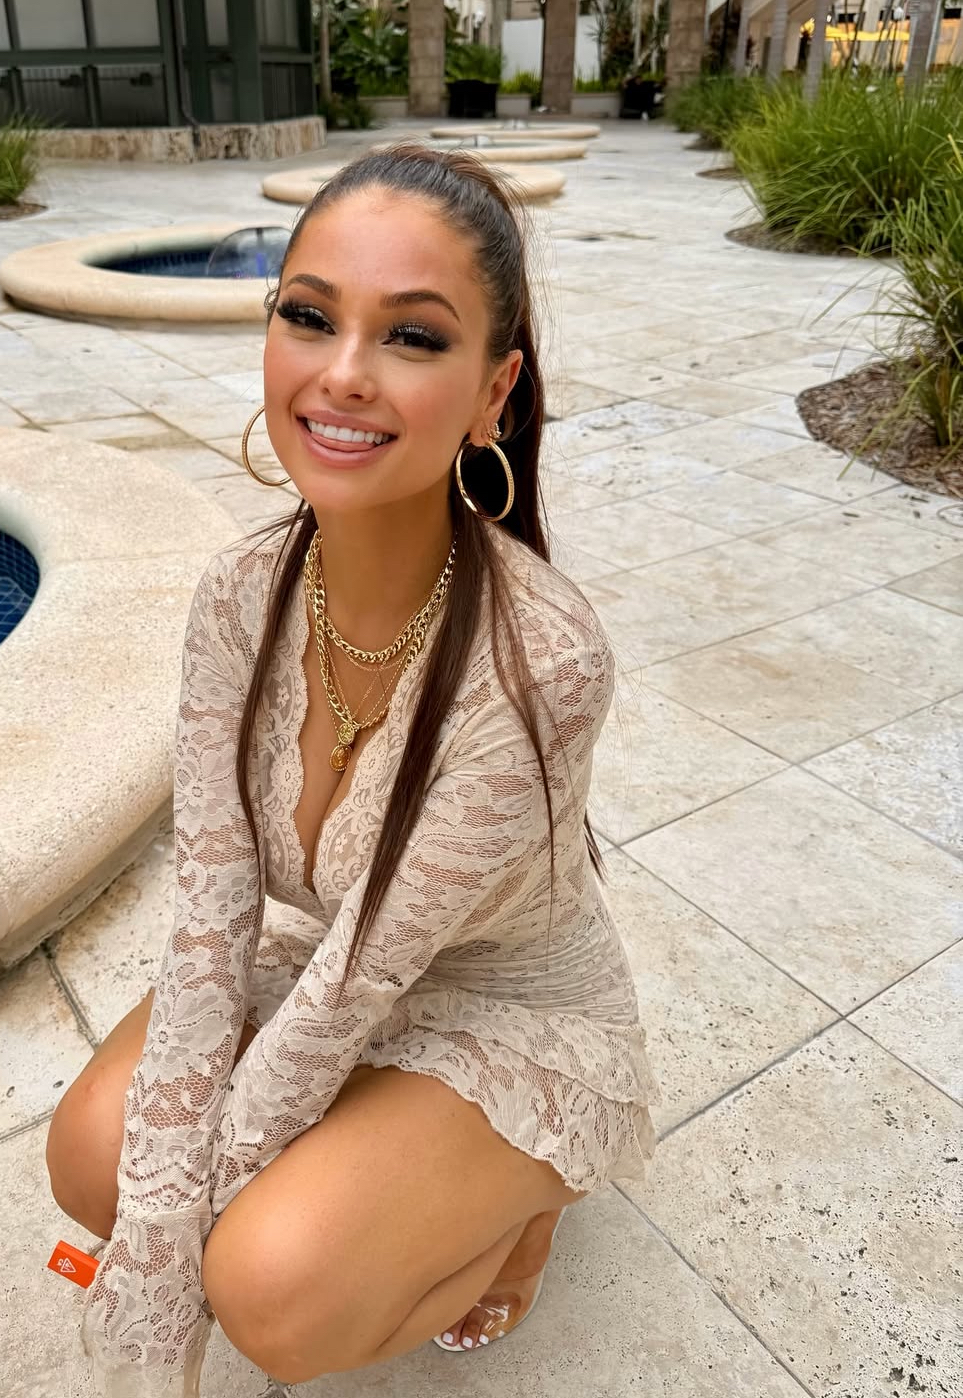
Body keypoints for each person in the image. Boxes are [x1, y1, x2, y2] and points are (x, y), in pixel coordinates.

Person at [45, 143, 663, 1397]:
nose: (341, 373)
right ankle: (373, 1177)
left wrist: (181, 1263)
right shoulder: (238, 598)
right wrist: (159, 1229)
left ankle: (524, 1208)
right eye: (310, 316)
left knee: (270, 1287)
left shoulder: (542, 665)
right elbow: (213, 915)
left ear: (495, 392)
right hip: (323, 958)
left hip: (507, 1001)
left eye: (413, 337)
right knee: (94, 1160)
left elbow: (359, 981)